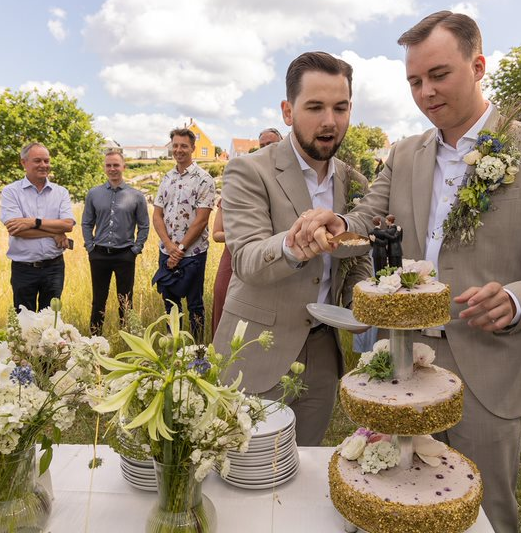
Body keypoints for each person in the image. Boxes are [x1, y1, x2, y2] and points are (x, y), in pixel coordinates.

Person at [287, 13, 521, 531]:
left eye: (439, 75)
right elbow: (364, 215)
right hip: (400, 362)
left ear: (478, 66)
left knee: (484, 509)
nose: (425, 92)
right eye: (414, 81)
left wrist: (518, 300)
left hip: (486, 362)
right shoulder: (405, 153)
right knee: (396, 498)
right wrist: (336, 220)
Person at [213, 51, 372, 446]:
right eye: (315, 107)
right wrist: (292, 244)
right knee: (243, 468)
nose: (329, 121)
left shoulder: (354, 182)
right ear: (288, 111)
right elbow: (247, 260)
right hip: (255, 349)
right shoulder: (249, 170)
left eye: (340, 107)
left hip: (322, 348)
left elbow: (359, 256)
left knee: (304, 463)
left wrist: (364, 302)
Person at [212, 127, 285, 336]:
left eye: (271, 145)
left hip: (269, 258)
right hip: (233, 255)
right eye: (262, 146)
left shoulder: (284, 186)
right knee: (222, 296)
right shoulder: (239, 186)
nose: (266, 149)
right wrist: (243, 233)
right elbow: (217, 233)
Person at [152, 128, 215, 342]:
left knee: (195, 304)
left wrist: (179, 250)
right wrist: (169, 246)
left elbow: (202, 219)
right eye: (175, 145)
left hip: (193, 254)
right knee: (170, 304)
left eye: (184, 146)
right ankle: (173, 347)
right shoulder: (166, 178)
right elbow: (157, 214)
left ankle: (196, 352)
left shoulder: (204, 180)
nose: (179, 150)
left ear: (192, 148)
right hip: (166, 251)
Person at [0, 142, 75, 312]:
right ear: (23, 163)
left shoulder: (60, 192)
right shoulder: (11, 192)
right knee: (24, 323)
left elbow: (68, 225)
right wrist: (54, 232)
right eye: (37, 161)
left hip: (54, 268)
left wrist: (34, 222)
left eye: (46, 161)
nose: (44, 165)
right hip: (24, 269)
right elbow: (17, 230)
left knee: (52, 322)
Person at [82, 151, 149, 335]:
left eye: (116, 165)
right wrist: (90, 246)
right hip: (99, 255)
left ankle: (127, 338)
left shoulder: (136, 196)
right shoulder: (94, 194)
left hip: (125, 255)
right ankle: (95, 341)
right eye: (108, 165)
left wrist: (136, 249)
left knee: (126, 301)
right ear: (104, 168)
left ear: (123, 167)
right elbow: (87, 222)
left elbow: (144, 225)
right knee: (98, 300)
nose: (112, 169)